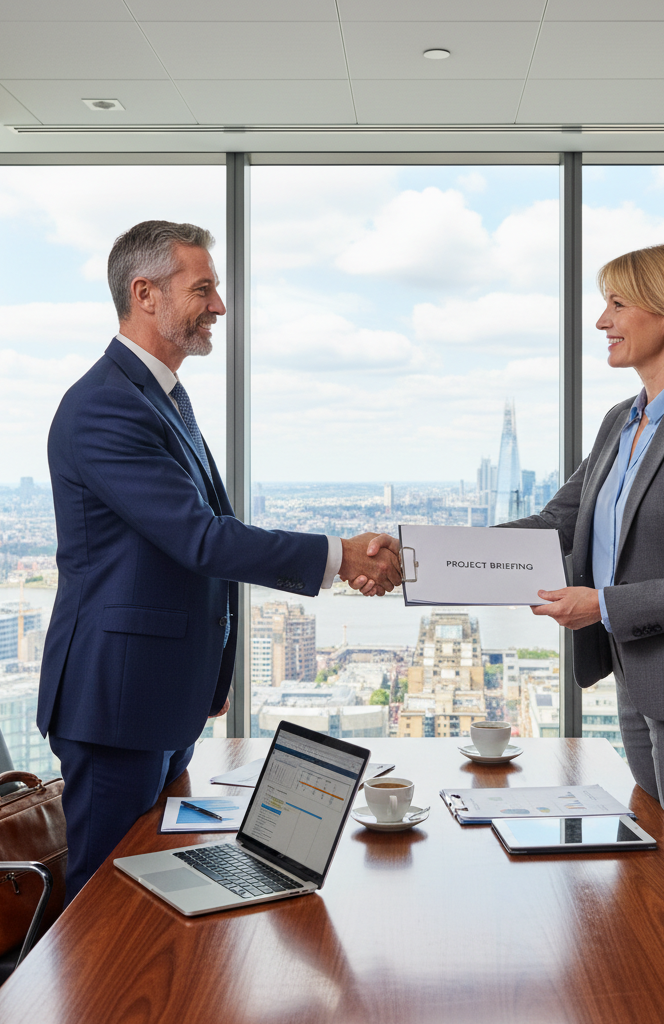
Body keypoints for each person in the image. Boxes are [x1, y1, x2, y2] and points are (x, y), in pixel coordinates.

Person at [38, 220, 402, 903]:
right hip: (116, 702)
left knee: (150, 883)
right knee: (100, 904)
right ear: (145, 293)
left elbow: (193, 548)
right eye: (203, 289)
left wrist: (212, 666)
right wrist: (341, 555)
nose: (220, 306)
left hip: (157, 696)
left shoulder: (161, 396)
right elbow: (202, 540)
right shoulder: (106, 406)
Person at [503, 243, 664, 907]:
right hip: (640, 679)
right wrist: (420, 554)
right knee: (662, 869)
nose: (603, 321)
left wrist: (604, 606)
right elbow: (557, 524)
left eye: (618, 304)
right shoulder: (621, 421)